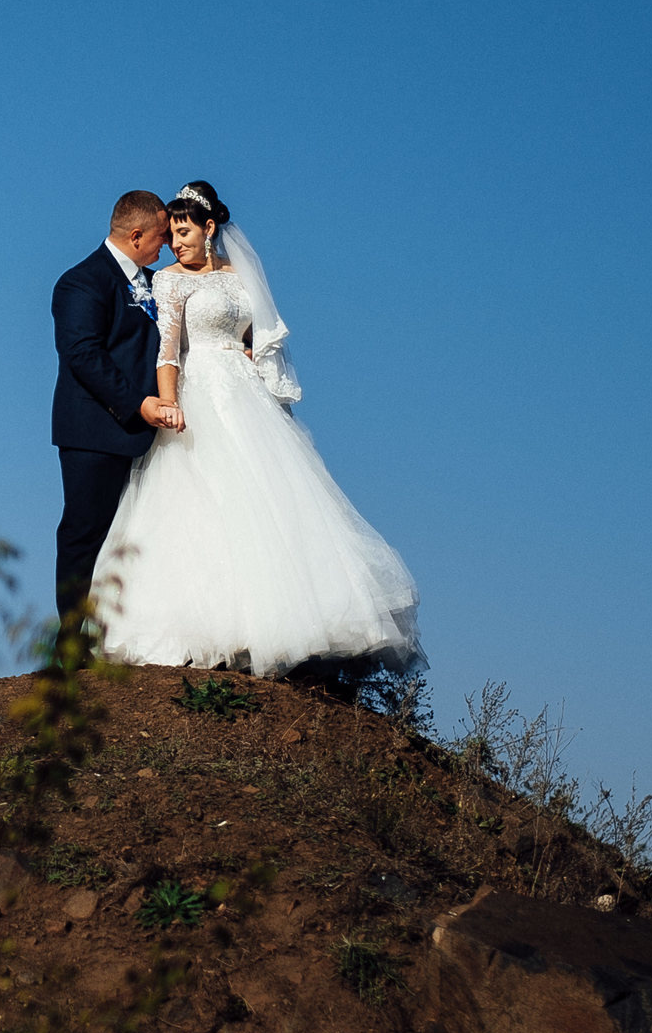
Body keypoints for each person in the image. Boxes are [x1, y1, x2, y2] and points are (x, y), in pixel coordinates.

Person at [92, 180, 418, 675]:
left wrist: (250, 352)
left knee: (269, 498)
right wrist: (169, 402)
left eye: (184, 233)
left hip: (245, 392)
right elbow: (167, 351)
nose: (176, 243)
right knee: (204, 500)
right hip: (199, 391)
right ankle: (211, 631)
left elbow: (259, 332)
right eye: (171, 235)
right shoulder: (169, 281)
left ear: (209, 229)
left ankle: (278, 624)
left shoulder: (239, 274)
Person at [50, 190, 179, 615]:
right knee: (86, 532)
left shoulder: (157, 282)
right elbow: (83, 354)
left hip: (150, 433)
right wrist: (138, 404)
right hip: (95, 431)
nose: (168, 245)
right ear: (137, 236)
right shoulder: (82, 282)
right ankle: (71, 638)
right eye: (162, 236)